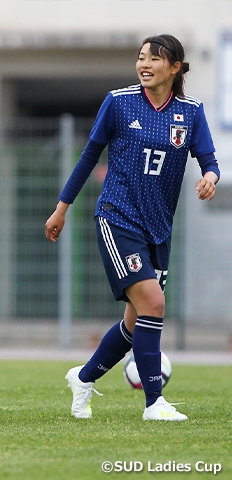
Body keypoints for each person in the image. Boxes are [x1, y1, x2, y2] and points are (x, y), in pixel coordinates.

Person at [45, 34, 220, 421]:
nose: (144, 64)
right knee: (154, 304)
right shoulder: (119, 102)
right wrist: (62, 208)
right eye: (141, 57)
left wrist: (210, 177)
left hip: (159, 228)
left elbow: (210, 160)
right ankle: (154, 402)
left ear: (174, 67)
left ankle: (84, 377)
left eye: (154, 59)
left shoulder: (190, 112)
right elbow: (89, 156)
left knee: (134, 320)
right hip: (117, 216)